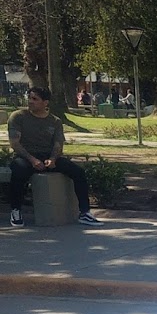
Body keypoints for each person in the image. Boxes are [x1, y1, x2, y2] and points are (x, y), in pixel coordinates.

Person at [7, 87, 103, 227]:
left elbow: (58, 144)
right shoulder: (18, 116)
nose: (30, 101)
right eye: (30, 98)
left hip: (48, 156)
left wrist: (53, 159)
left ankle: (85, 213)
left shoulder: (55, 121)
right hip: (26, 156)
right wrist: (33, 160)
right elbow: (15, 143)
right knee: (19, 170)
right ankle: (16, 210)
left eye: (35, 99)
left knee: (78, 172)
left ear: (45, 102)